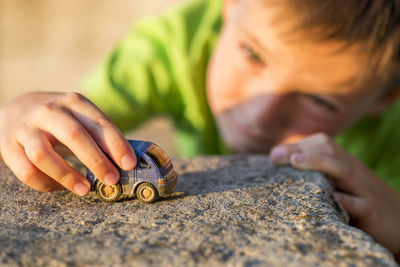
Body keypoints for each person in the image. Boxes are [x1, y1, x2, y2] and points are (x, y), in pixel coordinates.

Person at [0, 0, 399, 259]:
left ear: (386, 98)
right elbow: (73, 124)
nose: (260, 113)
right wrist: (20, 116)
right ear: (232, 5)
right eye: (253, 54)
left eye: (320, 100)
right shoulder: (172, 46)